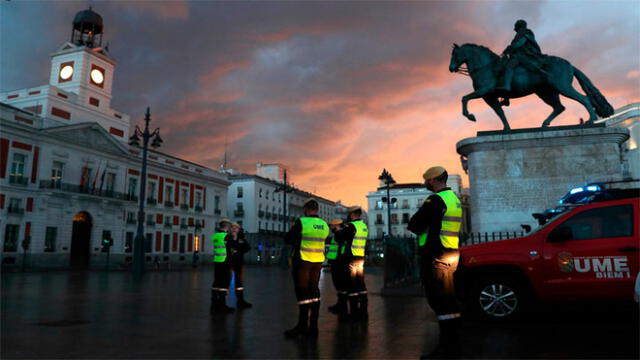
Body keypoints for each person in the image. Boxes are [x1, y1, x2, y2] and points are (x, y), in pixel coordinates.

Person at [408, 166, 463, 358]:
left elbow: (414, 225)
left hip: (435, 254)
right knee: (449, 298)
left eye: (426, 180)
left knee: (439, 300)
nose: (425, 183)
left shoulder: (434, 199)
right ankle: (454, 343)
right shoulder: (454, 199)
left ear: (432, 180)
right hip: (452, 252)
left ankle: (446, 348)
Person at [283, 198, 330, 337]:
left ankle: (302, 326)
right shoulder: (324, 224)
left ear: (305, 209)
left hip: (303, 261)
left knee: (302, 293)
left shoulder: (302, 222)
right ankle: (313, 327)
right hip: (318, 262)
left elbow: (289, 239)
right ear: (317, 210)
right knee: (314, 292)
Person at [335, 206, 369, 321]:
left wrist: (338, 229)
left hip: (352, 258)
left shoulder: (351, 226)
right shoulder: (363, 226)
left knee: (352, 285)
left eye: (349, 214)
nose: (348, 216)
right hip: (360, 257)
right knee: (361, 284)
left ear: (353, 214)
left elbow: (340, 237)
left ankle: (354, 314)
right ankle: (363, 312)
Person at [497, 19, 545, 92]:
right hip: (519, 54)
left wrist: (510, 49)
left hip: (524, 55)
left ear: (519, 26)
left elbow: (520, 43)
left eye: (515, 26)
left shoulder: (525, 32)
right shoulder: (520, 33)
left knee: (509, 67)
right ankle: (506, 96)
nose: (514, 28)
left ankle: (507, 86)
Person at [210, 219, 234, 313]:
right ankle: (222, 305)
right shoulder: (227, 237)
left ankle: (214, 304)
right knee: (224, 283)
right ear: (227, 227)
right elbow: (230, 249)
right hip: (225, 262)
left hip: (217, 260)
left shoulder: (215, 236)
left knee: (216, 282)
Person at [326, 218, 348, 316]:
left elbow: (341, 250)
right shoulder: (337, 235)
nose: (331, 228)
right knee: (339, 286)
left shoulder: (341, 235)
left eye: (332, 226)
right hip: (337, 263)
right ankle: (340, 305)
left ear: (337, 225)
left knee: (341, 286)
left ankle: (343, 307)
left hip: (340, 264)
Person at [229, 222, 253, 309]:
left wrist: (239, 251)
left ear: (238, 230)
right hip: (228, 263)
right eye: (233, 227)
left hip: (238, 263)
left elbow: (248, 247)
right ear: (230, 229)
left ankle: (240, 300)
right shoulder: (228, 238)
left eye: (236, 227)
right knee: (225, 282)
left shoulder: (241, 239)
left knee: (239, 282)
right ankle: (221, 302)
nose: (234, 229)